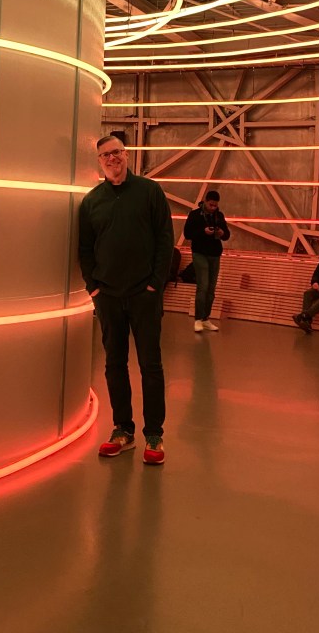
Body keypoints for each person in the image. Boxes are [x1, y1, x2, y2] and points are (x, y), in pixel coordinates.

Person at [79, 135, 174, 465]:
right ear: (99, 161)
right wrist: (93, 288)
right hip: (107, 297)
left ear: (127, 155)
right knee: (114, 365)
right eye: (105, 154)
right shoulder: (92, 201)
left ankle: (154, 435)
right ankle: (123, 430)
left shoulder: (150, 192)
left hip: (144, 296)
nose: (112, 158)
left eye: (116, 152)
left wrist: (155, 285)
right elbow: (85, 249)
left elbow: (165, 240)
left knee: (151, 365)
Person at [183, 191, 231, 333]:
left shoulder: (219, 216)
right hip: (199, 253)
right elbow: (187, 234)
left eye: (215, 206)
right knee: (203, 286)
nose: (213, 208)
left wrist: (222, 233)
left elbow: (227, 235)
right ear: (205, 201)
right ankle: (198, 319)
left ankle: (205, 318)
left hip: (215, 254)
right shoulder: (195, 215)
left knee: (211, 288)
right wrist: (203, 232)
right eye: (211, 205)